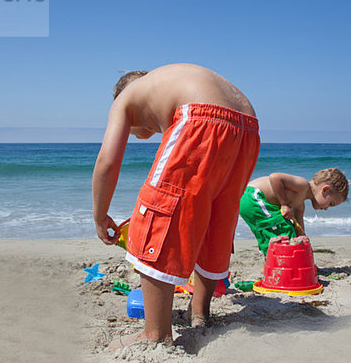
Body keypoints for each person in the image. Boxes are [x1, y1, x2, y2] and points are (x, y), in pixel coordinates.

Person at [92, 63, 260, 347]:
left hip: (203, 115)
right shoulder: (164, 84)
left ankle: (155, 333)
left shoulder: (125, 97)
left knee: (158, 212)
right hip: (248, 125)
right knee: (212, 217)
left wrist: (100, 214)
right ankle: (200, 311)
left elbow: (107, 161)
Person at [239, 169, 348, 256]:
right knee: (280, 227)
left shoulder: (300, 206)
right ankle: (274, 261)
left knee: (274, 232)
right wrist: (284, 204)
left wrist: (303, 241)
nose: (326, 208)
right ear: (325, 190)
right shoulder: (303, 185)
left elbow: (299, 229)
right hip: (252, 196)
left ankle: (271, 263)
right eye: (330, 203)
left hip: (252, 201)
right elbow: (275, 177)